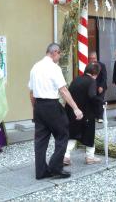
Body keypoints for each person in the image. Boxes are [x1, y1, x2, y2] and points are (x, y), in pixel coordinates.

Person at [28, 43, 83, 180]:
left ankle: (40, 172)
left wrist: (35, 108)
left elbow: (31, 92)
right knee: (63, 134)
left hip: (39, 106)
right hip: (51, 105)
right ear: (55, 52)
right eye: (59, 54)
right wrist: (76, 108)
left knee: (40, 141)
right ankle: (55, 167)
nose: (59, 57)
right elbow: (63, 90)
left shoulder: (35, 67)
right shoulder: (54, 68)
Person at [63, 63, 101, 165]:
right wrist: (100, 101)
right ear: (95, 73)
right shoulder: (92, 81)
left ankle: (65, 156)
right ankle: (90, 157)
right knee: (89, 134)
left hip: (72, 111)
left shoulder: (76, 79)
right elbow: (92, 96)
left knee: (72, 134)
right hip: (86, 113)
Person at [88, 51, 107, 123]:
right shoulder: (88, 66)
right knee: (93, 101)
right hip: (92, 87)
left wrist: (101, 86)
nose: (93, 60)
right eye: (91, 58)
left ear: (96, 57)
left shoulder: (102, 65)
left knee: (100, 101)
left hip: (100, 86)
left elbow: (104, 77)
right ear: (89, 59)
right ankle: (95, 116)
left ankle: (100, 117)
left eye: (94, 58)